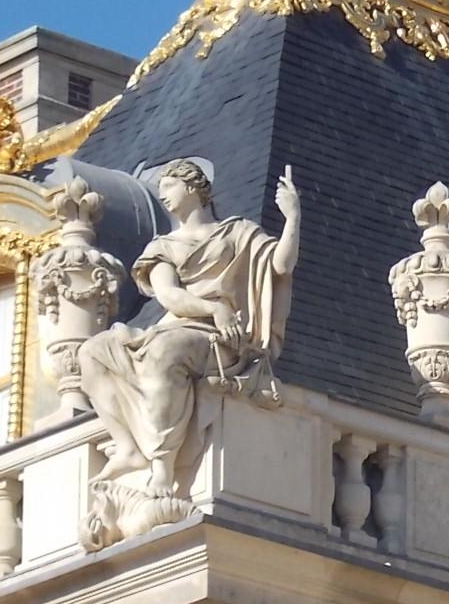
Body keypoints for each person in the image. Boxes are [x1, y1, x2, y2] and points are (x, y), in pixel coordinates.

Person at [78, 159, 299, 495]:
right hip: (184, 324)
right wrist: (214, 308)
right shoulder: (162, 247)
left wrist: (292, 217)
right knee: (92, 351)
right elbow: (169, 296)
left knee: (166, 352)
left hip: (223, 339)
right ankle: (128, 447)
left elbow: (281, 266)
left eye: (169, 185)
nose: (162, 194)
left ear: (192, 186)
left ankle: (162, 467)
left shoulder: (237, 233)